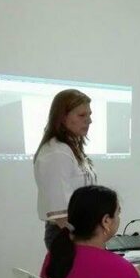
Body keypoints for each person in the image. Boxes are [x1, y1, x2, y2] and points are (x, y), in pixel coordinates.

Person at [34, 89, 96, 249]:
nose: (89, 121)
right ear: (62, 118)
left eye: (89, 115)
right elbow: (61, 215)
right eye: (82, 115)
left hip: (77, 232)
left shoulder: (70, 147)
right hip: (67, 234)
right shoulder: (56, 153)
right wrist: (87, 241)